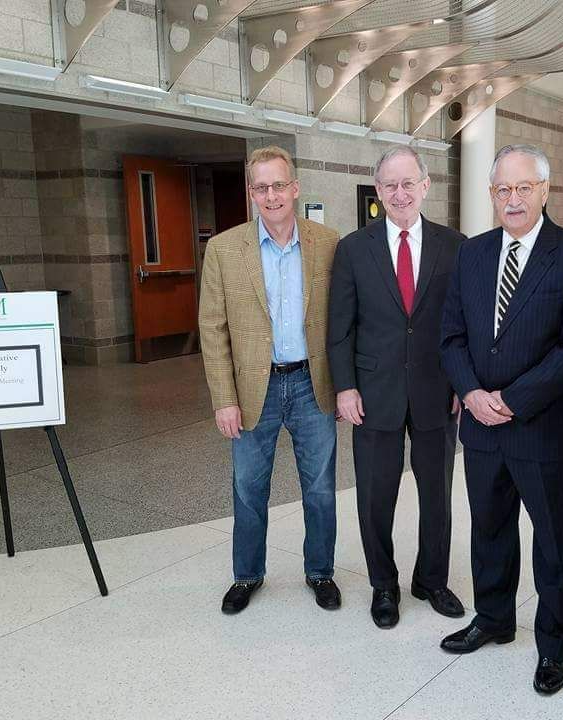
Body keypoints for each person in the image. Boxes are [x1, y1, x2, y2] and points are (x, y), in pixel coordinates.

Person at [439, 144, 563, 694]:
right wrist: (472, 392)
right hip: (482, 428)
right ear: (492, 196)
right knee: (488, 528)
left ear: (544, 190)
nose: (513, 199)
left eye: (523, 188)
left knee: (554, 540)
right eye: (502, 190)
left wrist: (510, 398)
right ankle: (493, 618)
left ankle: (555, 644)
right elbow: (452, 335)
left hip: (543, 427)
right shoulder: (473, 253)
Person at [198, 145, 342, 615]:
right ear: (250, 193)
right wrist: (224, 399)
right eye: (260, 187)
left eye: (279, 185)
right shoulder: (223, 250)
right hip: (250, 389)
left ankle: (320, 571)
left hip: (310, 383)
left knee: (319, 489)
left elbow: (344, 322)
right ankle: (247, 575)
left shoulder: (329, 243)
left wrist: (346, 385)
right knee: (248, 489)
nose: (271, 195)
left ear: (295, 188)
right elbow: (212, 328)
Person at [327, 146, 466, 629]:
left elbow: (462, 324)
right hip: (374, 393)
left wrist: (462, 384)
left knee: (438, 495)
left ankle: (431, 579)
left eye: (409, 183)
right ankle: (383, 585)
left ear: (426, 186)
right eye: (390, 185)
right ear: (378, 191)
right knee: (374, 495)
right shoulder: (352, 249)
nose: (400, 193)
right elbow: (339, 327)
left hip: (437, 391)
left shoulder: (455, 245)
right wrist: (345, 388)